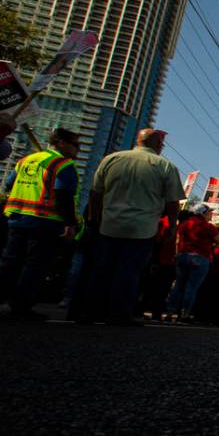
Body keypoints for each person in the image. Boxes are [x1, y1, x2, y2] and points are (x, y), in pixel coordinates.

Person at [84, 129, 183, 325]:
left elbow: (96, 193)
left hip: (109, 224)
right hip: (142, 227)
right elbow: (173, 202)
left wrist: (93, 218)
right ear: (158, 145)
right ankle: (119, 314)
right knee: (130, 270)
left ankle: (92, 311)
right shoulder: (165, 166)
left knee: (102, 268)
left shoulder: (112, 159)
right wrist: (172, 227)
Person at [0, 128, 80, 319]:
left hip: (17, 218)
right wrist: (70, 223)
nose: (78, 149)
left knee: (9, 263)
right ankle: (21, 306)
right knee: (35, 266)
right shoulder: (63, 164)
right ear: (61, 143)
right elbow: (63, 196)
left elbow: (10, 184)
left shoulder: (27, 160)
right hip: (45, 222)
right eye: (76, 144)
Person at [166, 204, 219, 323]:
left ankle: (170, 313)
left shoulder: (184, 224)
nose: (211, 214)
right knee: (191, 288)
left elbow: (177, 241)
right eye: (209, 212)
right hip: (200, 258)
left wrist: (177, 255)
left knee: (179, 286)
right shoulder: (208, 227)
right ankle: (184, 314)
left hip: (183, 256)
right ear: (202, 213)